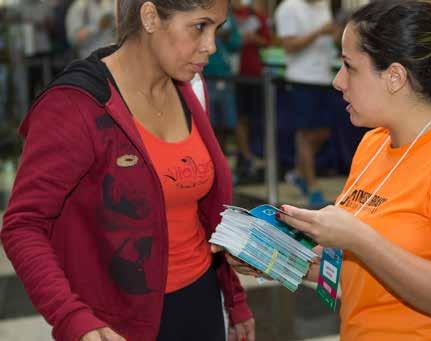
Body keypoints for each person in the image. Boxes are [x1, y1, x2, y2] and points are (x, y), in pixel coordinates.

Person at [1, 0, 255, 340]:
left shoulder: (190, 86)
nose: (210, 45)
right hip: (116, 321)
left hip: (201, 301)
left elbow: (206, 215)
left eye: (217, 30)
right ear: (150, 17)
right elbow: (23, 224)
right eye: (199, 27)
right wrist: (71, 316)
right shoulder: (77, 104)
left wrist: (233, 298)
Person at [273, 1, 431, 339]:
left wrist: (358, 237)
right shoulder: (374, 144)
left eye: (349, 66)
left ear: (395, 77)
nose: (337, 81)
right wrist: (271, 257)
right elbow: (354, 271)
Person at [274, 0, 337, 208]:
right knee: (305, 134)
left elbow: (331, 40)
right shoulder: (289, 7)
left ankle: (298, 173)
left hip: (325, 77)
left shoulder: (324, 6)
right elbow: (289, 46)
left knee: (323, 133)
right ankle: (312, 186)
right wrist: (319, 32)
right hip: (301, 79)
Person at [232, 0, 271, 180]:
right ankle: (246, 157)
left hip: (255, 75)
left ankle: (254, 155)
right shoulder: (226, 17)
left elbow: (268, 41)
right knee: (239, 118)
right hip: (234, 75)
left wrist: (255, 40)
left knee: (255, 117)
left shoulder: (257, 17)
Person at [203, 13, 241, 154]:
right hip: (206, 77)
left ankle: (221, 158)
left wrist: (227, 38)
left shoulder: (229, 18)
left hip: (226, 78)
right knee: (207, 123)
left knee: (227, 122)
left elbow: (237, 44)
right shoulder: (199, 13)